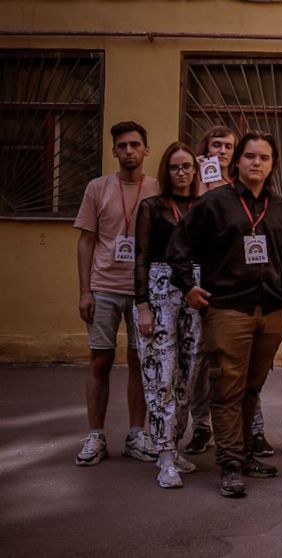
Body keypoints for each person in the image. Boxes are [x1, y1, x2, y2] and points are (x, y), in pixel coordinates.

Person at [168, 131, 282, 498]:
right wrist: (186, 286)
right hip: (227, 309)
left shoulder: (279, 206)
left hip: (271, 309)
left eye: (264, 158)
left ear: (272, 164)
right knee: (226, 387)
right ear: (237, 161)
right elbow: (178, 246)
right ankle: (230, 464)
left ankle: (242, 453)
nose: (257, 163)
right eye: (250, 156)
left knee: (251, 387)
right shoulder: (214, 203)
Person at [74, 121, 158, 466]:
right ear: (114, 151)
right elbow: (86, 241)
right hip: (104, 287)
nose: (128, 151)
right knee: (100, 360)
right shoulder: (97, 188)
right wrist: (84, 292)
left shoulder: (156, 188)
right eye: (121, 146)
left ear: (146, 151)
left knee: (140, 361)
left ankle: (136, 435)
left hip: (143, 291)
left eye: (134, 145)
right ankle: (96, 435)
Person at [132, 142, 203, 487]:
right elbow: (141, 258)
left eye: (187, 166)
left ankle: (175, 447)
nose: (182, 172)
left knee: (187, 376)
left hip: (195, 291)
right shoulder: (151, 207)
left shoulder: (204, 207)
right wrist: (142, 304)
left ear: (195, 169)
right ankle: (162, 456)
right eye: (175, 167)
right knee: (160, 374)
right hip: (159, 294)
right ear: (166, 171)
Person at [186, 125, 239, 456]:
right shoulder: (193, 180)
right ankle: (200, 426)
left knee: (231, 360)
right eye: (215, 144)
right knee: (199, 360)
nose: (221, 150)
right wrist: (201, 182)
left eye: (228, 146)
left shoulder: (239, 184)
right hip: (197, 280)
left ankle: (237, 431)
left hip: (231, 280)